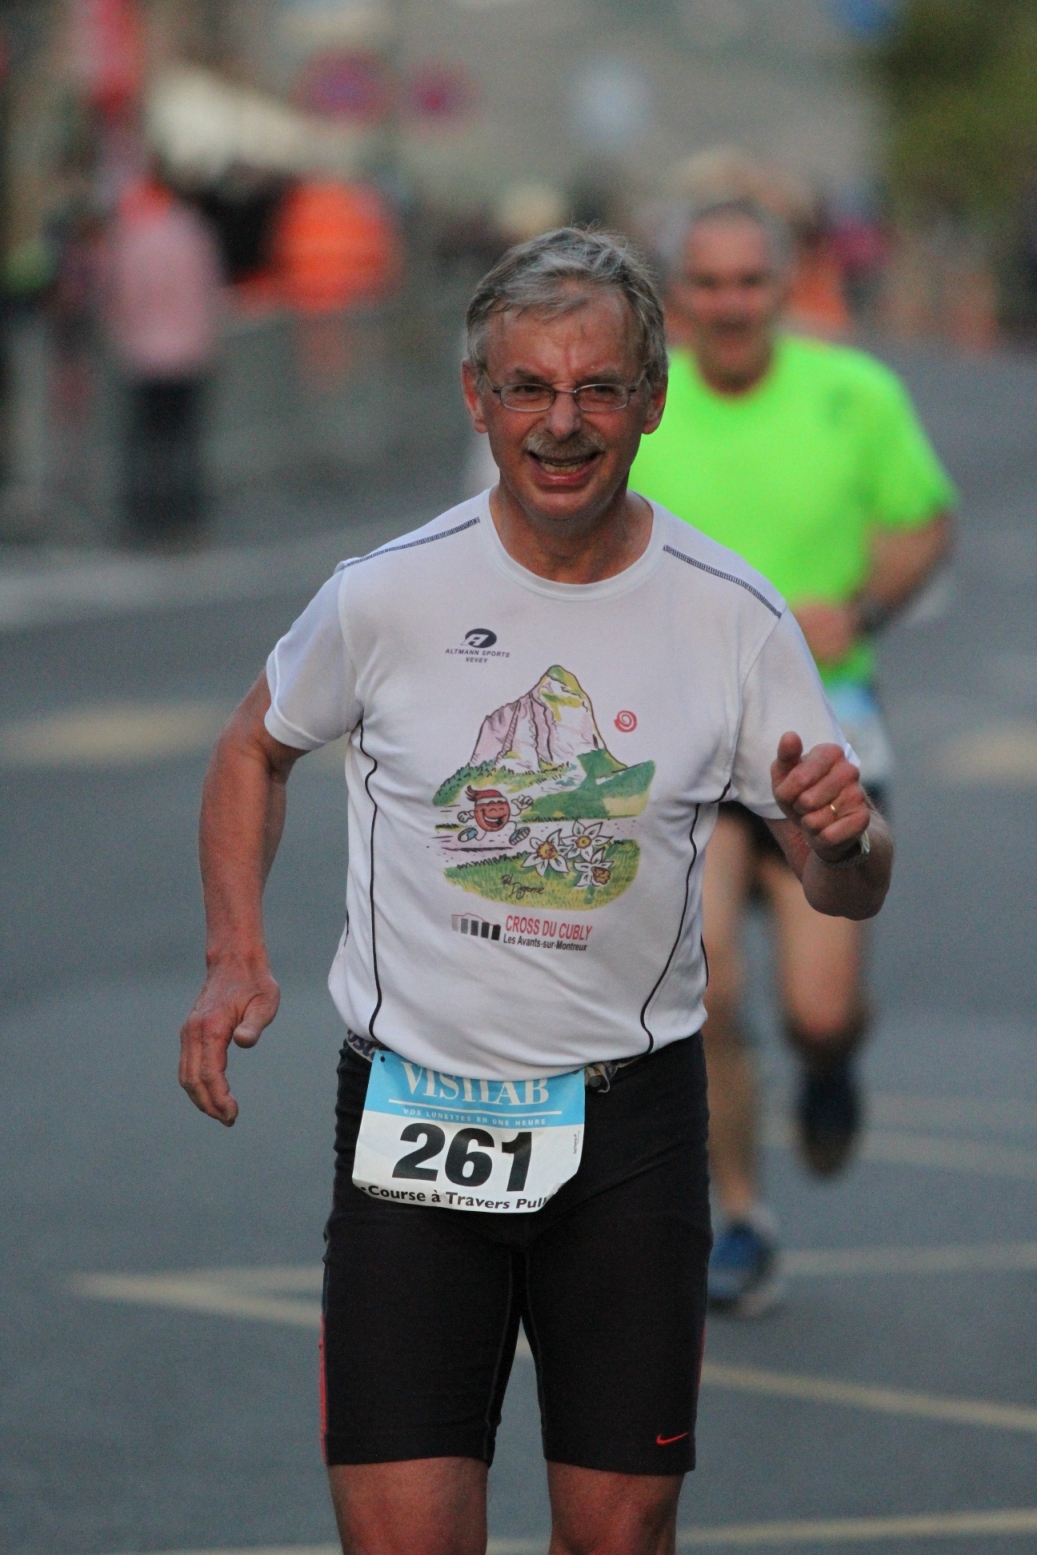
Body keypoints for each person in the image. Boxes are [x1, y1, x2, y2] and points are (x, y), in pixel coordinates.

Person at [180, 228, 893, 1555]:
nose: (560, 423)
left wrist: (845, 844)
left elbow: (839, 883)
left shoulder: (731, 614)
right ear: (478, 397)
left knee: (618, 1538)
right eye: (526, 387)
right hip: (414, 1115)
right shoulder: (386, 593)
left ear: (650, 400)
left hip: (630, 1128)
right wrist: (235, 952)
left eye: (597, 388)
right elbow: (251, 746)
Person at [630, 200, 954, 1316]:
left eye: (749, 281)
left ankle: (826, 1062)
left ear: (784, 285)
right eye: (706, 282)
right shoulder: (643, 405)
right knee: (704, 982)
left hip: (820, 729)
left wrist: (860, 607)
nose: (729, 304)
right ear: (676, 294)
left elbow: (923, 520)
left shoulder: (852, 392)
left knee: (816, 1009)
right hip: (682, 738)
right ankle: (739, 1217)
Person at [105, 174, 223, 545]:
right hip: (187, 354)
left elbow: (122, 297)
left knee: (146, 446)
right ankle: (185, 520)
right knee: (184, 444)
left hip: (143, 357)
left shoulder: (133, 237)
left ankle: (144, 521)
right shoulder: (192, 233)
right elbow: (207, 290)